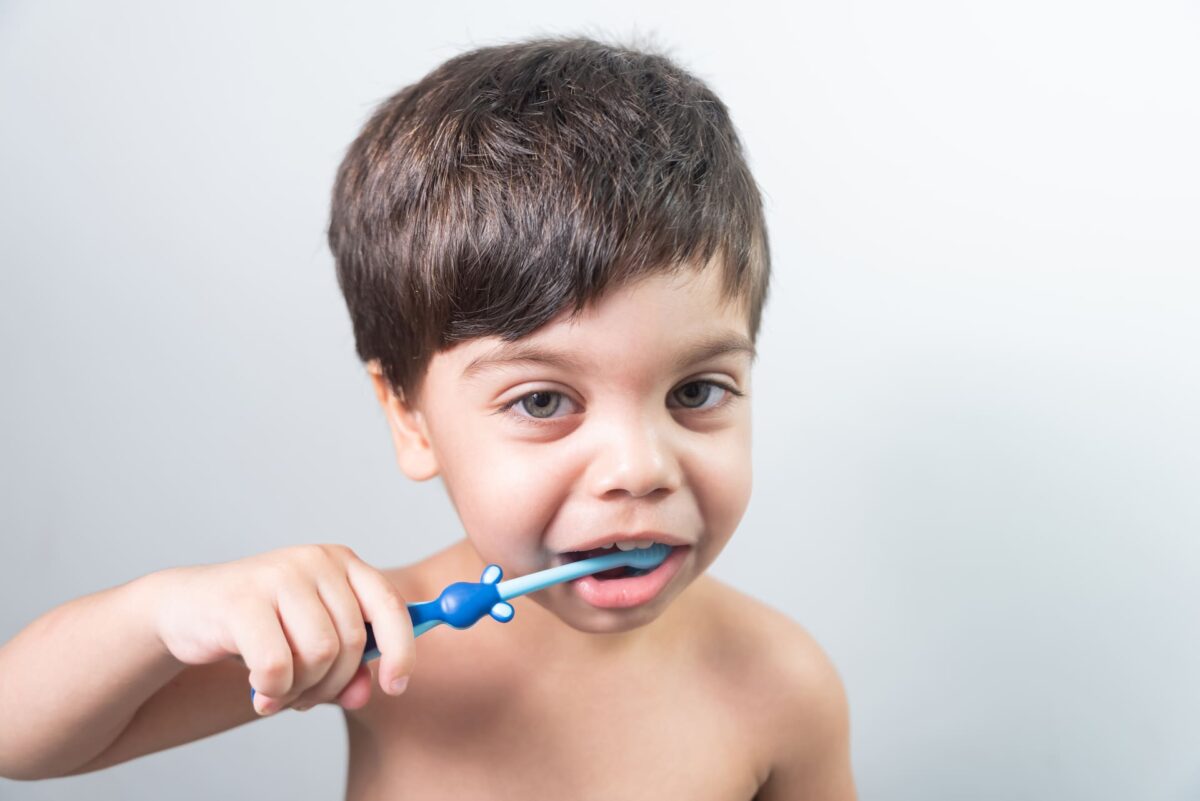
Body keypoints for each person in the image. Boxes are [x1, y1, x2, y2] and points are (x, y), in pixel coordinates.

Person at [0, 34, 856, 799]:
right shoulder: (380, 634)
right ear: (409, 418)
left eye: (696, 392)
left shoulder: (782, 684)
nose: (639, 466)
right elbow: (18, 741)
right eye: (544, 401)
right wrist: (161, 614)